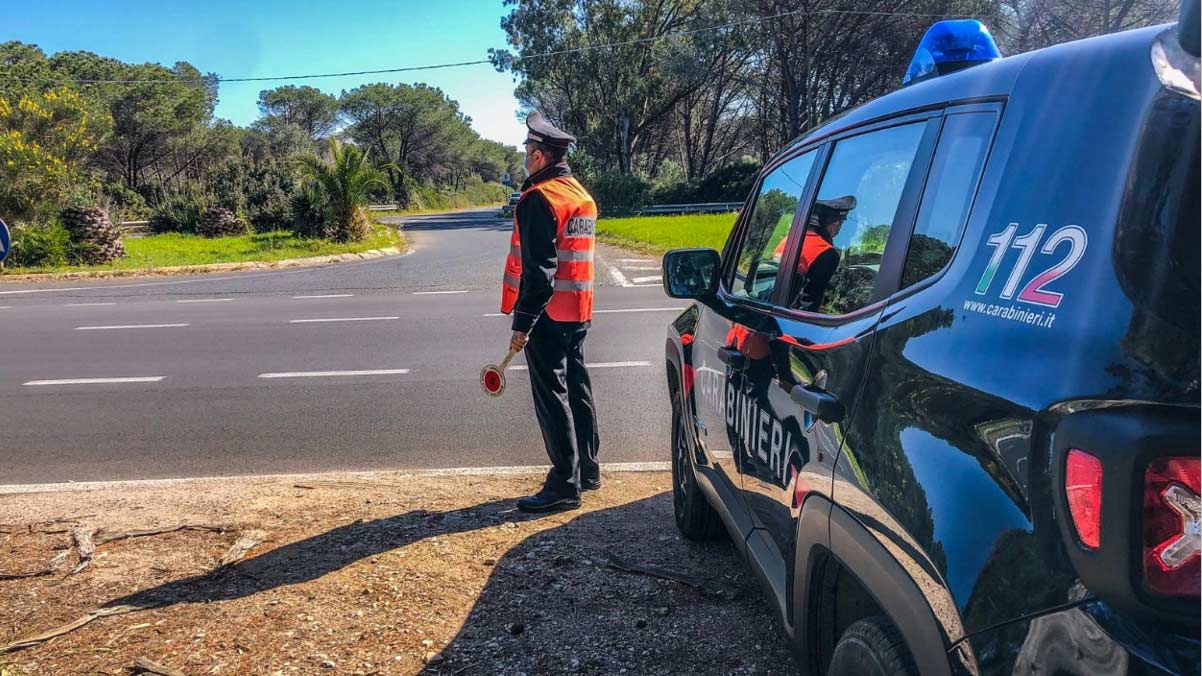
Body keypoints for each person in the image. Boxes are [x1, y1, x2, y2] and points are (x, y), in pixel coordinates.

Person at [501, 112, 600, 513]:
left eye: (527, 150)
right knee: (577, 386)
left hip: (548, 313)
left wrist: (522, 324)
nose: (524, 155)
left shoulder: (538, 199)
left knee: (552, 394)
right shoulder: (579, 193)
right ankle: (588, 470)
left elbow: (538, 273)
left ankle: (563, 484)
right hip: (579, 308)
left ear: (540, 156)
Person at [790, 195, 856, 312]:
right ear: (835, 223)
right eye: (840, 223)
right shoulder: (827, 253)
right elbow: (809, 302)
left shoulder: (789, 240)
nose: (839, 228)